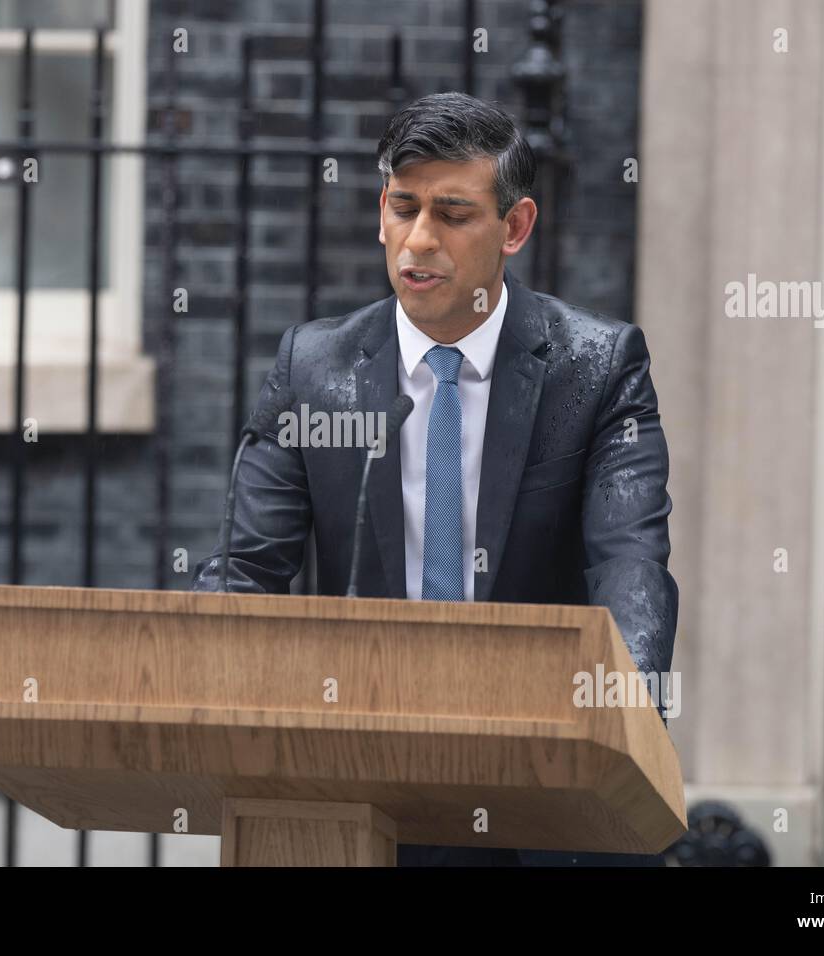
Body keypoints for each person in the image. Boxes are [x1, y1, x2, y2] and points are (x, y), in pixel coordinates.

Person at [193, 92, 677, 867]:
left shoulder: (598, 366)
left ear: (514, 227)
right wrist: (201, 678)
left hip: (545, 787)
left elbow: (630, 565)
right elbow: (247, 568)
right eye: (402, 207)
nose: (419, 240)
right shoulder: (314, 370)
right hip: (363, 783)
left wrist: (621, 724)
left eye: (453, 214)